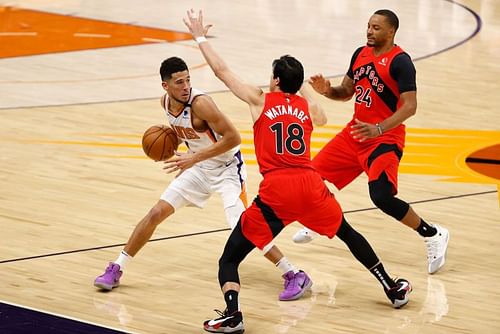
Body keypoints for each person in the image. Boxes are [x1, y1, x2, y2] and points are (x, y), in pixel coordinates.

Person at [183, 9, 412, 334]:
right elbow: (322, 118)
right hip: (310, 184)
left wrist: (200, 37)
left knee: (229, 260)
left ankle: (233, 315)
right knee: (348, 233)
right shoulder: (308, 108)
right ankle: (391, 286)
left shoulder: (260, 100)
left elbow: (222, 71)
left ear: (275, 80)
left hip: (277, 191)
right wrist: (303, 85)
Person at [93, 56, 311, 302]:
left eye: (187, 80)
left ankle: (293, 273)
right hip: (199, 167)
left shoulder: (202, 104)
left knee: (244, 227)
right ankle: (117, 268)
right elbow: (186, 135)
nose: (185, 86)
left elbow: (233, 138)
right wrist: (168, 150)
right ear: (166, 86)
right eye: (179, 82)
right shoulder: (165, 103)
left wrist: (193, 158)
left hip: (228, 169)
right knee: (156, 213)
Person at [292, 9, 450, 275]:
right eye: (368, 26)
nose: (369, 31)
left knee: (382, 197)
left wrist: (379, 128)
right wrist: (327, 91)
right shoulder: (360, 54)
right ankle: (320, 219)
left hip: (384, 137)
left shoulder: (401, 62)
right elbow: (346, 92)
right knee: (311, 178)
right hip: (356, 132)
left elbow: (410, 107)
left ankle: (433, 234)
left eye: (376, 28)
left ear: (391, 32)